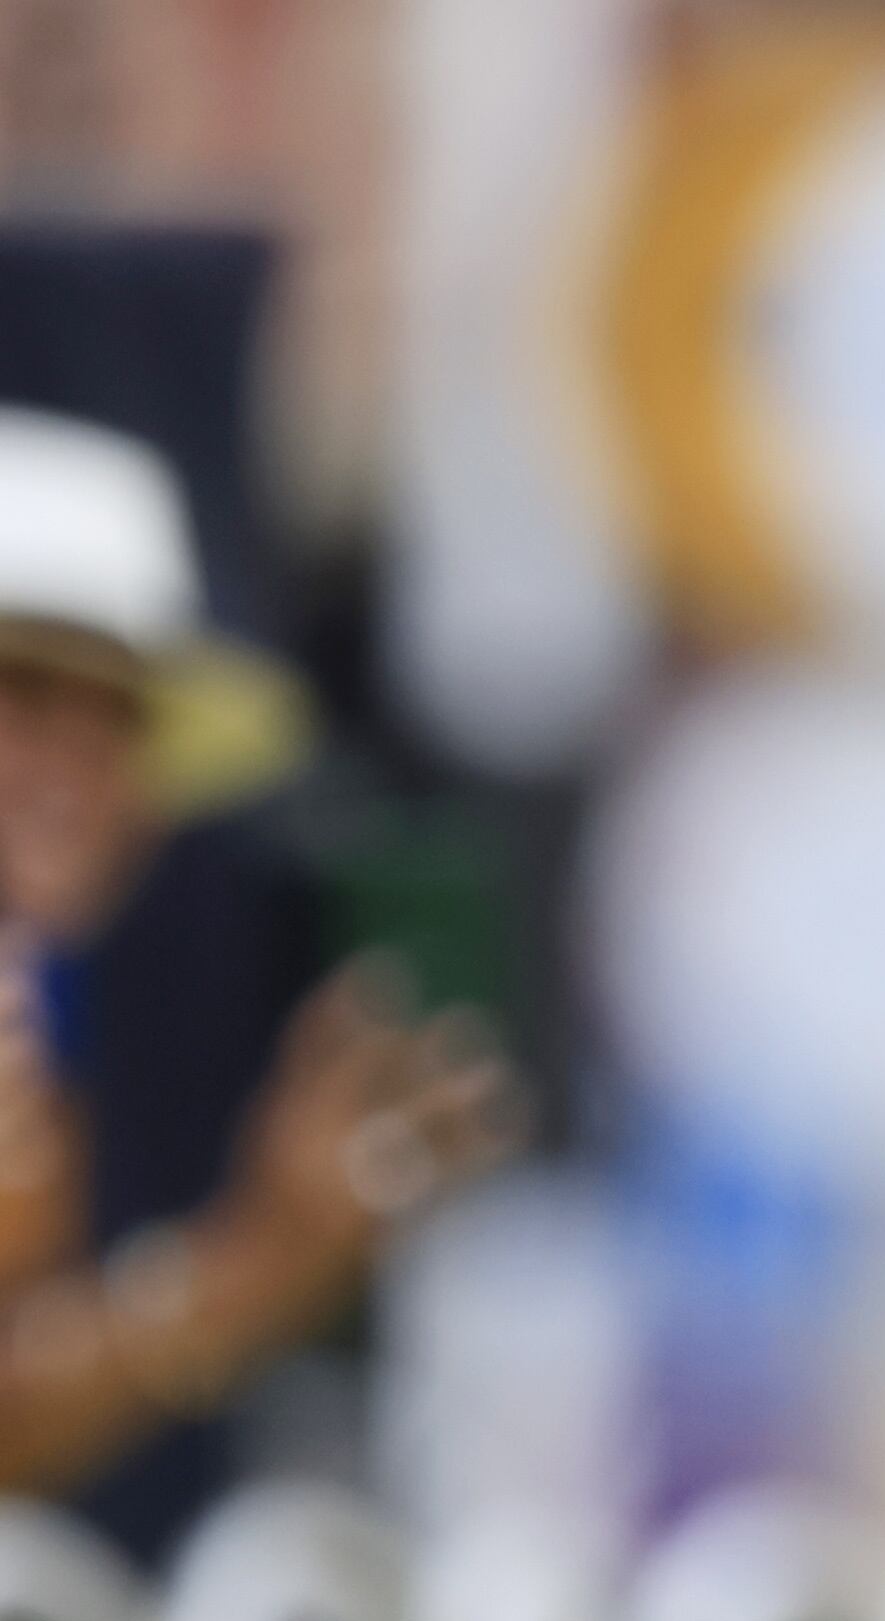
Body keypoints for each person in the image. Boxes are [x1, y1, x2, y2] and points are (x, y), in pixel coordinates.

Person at [0, 406, 515, 1536]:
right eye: (27, 695)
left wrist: (267, 1254)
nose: (74, 774)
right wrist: (255, 1262)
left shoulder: (44, 996)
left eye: (120, 721)